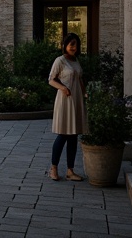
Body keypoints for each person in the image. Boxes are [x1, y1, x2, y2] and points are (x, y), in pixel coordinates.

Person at [48, 32, 87, 181]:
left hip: (76, 100)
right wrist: (63, 88)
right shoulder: (60, 60)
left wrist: (85, 95)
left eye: (76, 45)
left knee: (73, 136)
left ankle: (70, 171)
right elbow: (51, 80)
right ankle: (53, 168)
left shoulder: (76, 61)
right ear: (65, 45)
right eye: (71, 44)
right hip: (65, 100)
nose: (74, 47)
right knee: (63, 134)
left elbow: (80, 80)